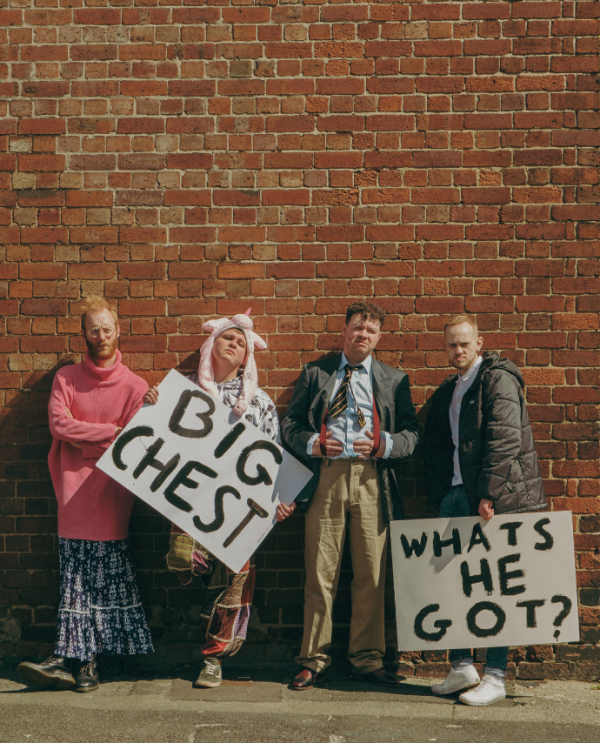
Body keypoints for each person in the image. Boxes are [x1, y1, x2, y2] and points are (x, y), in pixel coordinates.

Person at [144, 310, 290, 689]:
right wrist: (151, 405)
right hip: (189, 500)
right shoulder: (182, 391)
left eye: (241, 342)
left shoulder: (259, 404)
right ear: (211, 344)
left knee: (233, 585)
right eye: (228, 337)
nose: (234, 344)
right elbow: (153, 442)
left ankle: (214, 658)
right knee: (182, 563)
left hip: (238, 508)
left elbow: (272, 455)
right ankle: (195, 570)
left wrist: (280, 498)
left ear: (247, 357)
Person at [17, 297, 154, 693]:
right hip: (72, 493)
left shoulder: (136, 387)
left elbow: (134, 442)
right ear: (83, 334)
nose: (101, 336)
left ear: (118, 330)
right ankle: (83, 664)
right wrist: (108, 433)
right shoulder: (66, 379)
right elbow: (60, 425)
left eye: (107, 328)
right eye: (93, 329)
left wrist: (93, 437)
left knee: (100, 577)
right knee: (75, 578)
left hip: (113, 496)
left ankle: (77, 660)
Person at [281, 302, 419, 690]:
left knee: (371, 573)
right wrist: (312, 443)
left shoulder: (394, 380)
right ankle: (312, 658)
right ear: (344, 330)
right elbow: (288, 424)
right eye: (357, 327)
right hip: (325, 476)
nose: (363, 335)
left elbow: (411, 435)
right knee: (320, 573)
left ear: (379, 338)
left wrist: (383, 444)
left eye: (371, 331)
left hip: (372, 479)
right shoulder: (317, 373)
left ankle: (367, 658)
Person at [422, 314, 547, 706]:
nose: (457, 350)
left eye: (464, 343)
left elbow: (506, 438)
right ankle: (462, 666)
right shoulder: (452, 388)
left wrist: (489, 493)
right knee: (453, 584)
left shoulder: (496, 377)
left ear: (479, 342)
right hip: (458, 494)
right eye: (451, 345)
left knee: (496, 587)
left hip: (495, 500)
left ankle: (495, 675)